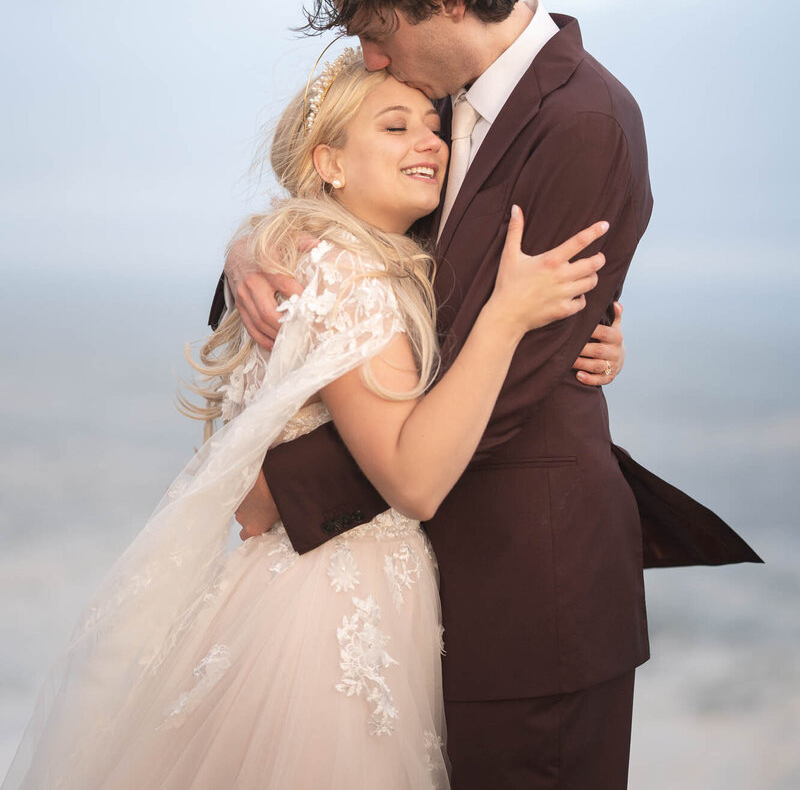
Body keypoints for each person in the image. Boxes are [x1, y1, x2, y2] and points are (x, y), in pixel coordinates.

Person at [218, 0, 761, 790]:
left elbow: (507, 378)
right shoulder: (433, 116)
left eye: (377, 35)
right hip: (415, 599)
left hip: (527, 595)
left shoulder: (586, 120)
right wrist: (255, 257)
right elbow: (359, 238)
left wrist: (276, 485)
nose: (372, 61)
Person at [3, 53, 613, 790]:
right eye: (395, 126)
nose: (430, 142)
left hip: (287, 587)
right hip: (327, 614)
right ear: (329, 162)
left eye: (434, 126)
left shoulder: (338, 259)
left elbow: (255, 503)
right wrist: (507, 320)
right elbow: (414, 482)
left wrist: (578, 344)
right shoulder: (342, 275)